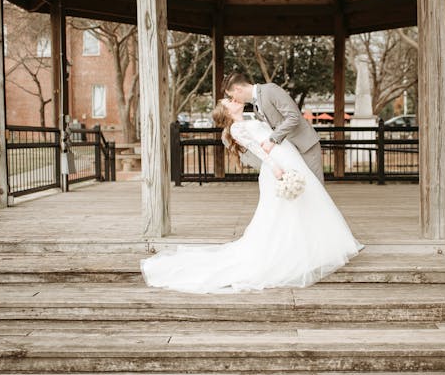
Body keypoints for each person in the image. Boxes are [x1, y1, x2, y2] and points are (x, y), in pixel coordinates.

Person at [139, 98, 364, 294]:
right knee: (280, 213)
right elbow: (258, 149)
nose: (234, 101)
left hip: (289, 160)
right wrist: (275, 167)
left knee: (305, 204)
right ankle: (287, 252)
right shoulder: (236, 129)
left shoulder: (249, 119)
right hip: (277, 166)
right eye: (229, 102)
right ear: (227, 112)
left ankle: (314, 246)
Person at [223, 72, 324, 184]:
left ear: (238, 89)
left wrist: (272, 139)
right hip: (291, 153)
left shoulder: (270, 90)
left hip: (306, 146)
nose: (234, 99)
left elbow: (293, 116)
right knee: (301, 190)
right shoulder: (256, 107)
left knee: (315, 186)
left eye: (232, 96)